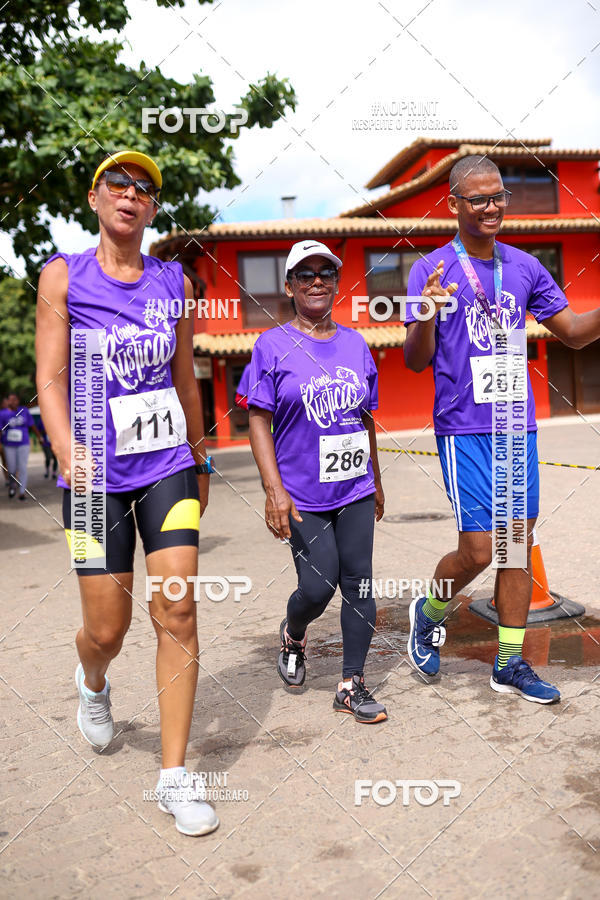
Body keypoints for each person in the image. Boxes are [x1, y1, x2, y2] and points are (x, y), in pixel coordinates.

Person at [36, 150, 219, 836]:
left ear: (152, 208)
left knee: (178, 610)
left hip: (166, 464)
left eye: (144, 188)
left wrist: (200, 458)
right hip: (94, 480)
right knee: (107, 629)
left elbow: (185, 377)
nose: (131, 194)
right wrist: (64, 448)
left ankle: (174, 778)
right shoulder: (63, 275)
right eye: (118, 182)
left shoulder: (174, 282)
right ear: (94, 197)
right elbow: (49, 377)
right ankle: (93, 681)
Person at [404, 154, 600, 704]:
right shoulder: (430, 270)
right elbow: (415, 361)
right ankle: (430, 610)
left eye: (498, 197)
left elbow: (574, 333)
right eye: (479, 199)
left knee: (516, 545)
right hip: (463, 426)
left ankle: (510, 663)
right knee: (478, 550)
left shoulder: (526, 267)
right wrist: (426, 314)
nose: (491, 207)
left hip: (516, 424)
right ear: (454, 204)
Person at [248, 240, 387, 724]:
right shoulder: (270, 346)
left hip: (354, 487)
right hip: (301, 493)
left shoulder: (356, 344)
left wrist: (376, 478)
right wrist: (273, 490)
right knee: (318, 584)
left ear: (336, 283)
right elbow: (258, 419)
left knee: (359, 581)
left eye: (326, 273)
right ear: (289, 286)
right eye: (304, 275)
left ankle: (352, 684)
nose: (316, 281)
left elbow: (365, 417)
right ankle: (293, 633)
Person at [0, 393, 42, 499]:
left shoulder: (24, 411)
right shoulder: (2, 414)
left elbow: (32, 425)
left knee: (22, 467)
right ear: (7, 401)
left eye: (14, 399)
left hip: (23, 443)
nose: (12, 402)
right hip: (9, 445)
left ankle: (22, 492)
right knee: (11, 468)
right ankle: (12, 485)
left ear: (18, 401)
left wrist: (39, 437)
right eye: (10, 400)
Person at [32, 409, 58, 478]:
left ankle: (54, 473)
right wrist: (41, 437)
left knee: (55, 458)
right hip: (46, 443)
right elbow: (38, 431)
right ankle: (47, 471)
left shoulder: (56, 420)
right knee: (48, 457)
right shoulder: (41, 420)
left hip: (55, 443)